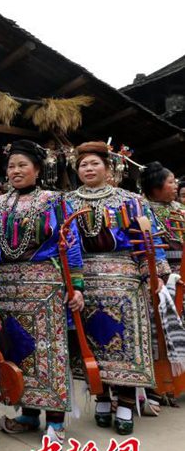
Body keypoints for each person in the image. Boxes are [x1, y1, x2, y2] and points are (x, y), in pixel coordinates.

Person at [65, 142, 167, 435]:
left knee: (124, 342)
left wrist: (154, 274)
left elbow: (148, 241)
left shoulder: (130, 200)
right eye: (83, 165)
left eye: (94, 164)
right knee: (93, 342)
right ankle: (101, 395)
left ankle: (124, 400)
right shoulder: (67, 202)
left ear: (108, 168)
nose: (88, 169)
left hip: (125, 279)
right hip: (84, 279)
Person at [0, 140, 84, 442]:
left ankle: (55, 419)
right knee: (17, 348)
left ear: (37, 169)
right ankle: (28, 413)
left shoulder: (54, 201)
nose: (16, 171)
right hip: (7, 284)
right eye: (11, 166)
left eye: (22, 165)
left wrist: (77, 286)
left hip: (44, 284)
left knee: (48, 351)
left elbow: (69, 244)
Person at [141, 161, 185, 408]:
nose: (175, 185)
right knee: (160, 329)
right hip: (162, 276)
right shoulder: (145, 210)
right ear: (156, 187)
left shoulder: (181, 209)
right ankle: (162, 384)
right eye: (170, 182)